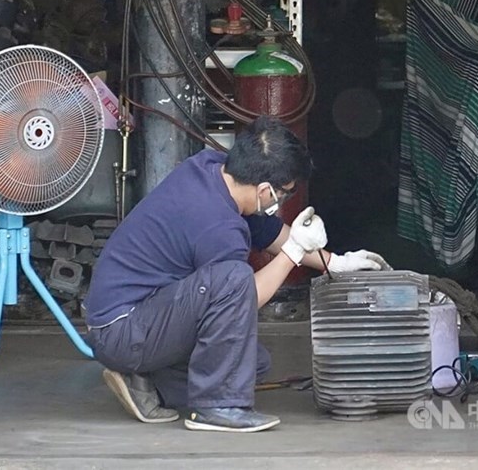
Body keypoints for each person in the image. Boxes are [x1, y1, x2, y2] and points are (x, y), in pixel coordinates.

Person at [83, 115, 390, 433]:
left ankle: (147, 385)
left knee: (252, 365)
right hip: (122, 330)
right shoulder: (216, 225)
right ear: (266, 189)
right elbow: (243, 296)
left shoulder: (214, 171)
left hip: (139, 317)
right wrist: (295, 253)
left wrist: (337, 262)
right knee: (233, 279)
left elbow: (272, 233)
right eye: (284, 193)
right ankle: (217, 407)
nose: (283, 200)